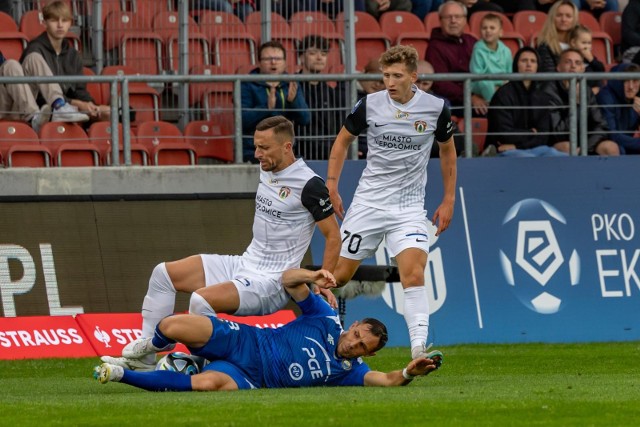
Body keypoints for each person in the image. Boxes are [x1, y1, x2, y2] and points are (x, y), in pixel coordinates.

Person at [101, 116, 341, 371]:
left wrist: (323, 281)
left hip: (271, 281)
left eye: (264, 148)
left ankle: (197, 363)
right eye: (256, 146)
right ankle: (147, 358)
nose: (257, 153)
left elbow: (333, 236)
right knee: (163, 274)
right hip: (245, 262)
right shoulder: (268, 166)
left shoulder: (309, 185)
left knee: (201, 300)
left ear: (287, 147)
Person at [94, 268, 444, 391]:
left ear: (368, 354)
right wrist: (312, 276)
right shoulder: (324, 318)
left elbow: (386, 380)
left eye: (362, 348)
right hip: (244, 339)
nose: (353, 346)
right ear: (352, 326)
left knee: (206, 385)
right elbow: (288, 281)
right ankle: (149, 352)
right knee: (172, 324)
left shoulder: (348, 373)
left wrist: (408, 372)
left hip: (249, 377)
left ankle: (121, 374)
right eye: (356, 336)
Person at [325, 45, 457, 360]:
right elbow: (342, 141)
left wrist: (449, 198)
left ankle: (418, 350)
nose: (390, 82)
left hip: (409, 208)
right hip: (369, 204)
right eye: (385, 75)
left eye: (397, 75)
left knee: (413, 274)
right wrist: (332, 184)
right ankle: (317, 329)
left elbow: (448, 151)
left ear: (414, 77)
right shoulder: (369, 105)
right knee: (338, 277)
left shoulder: (436, 108)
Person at [20, 0, 105, 124]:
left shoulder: (73, 55)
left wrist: (90, 105)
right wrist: (77, 103)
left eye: (64, 20)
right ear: (44, 23)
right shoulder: (34, 50)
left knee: (108, 114)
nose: (60, 25)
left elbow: (80, 90)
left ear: (70, 23)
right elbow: (37, 95)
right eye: (54, 20)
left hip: (70, 109)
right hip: (42, 109)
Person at [486, 47, 568, 157]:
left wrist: (518, 146)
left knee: (560, 156)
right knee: (528, 159)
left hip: (528, 147)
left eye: (533, 61)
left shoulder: (543, 97)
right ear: (516, 65)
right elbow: (503, 134)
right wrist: (531, 132)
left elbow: (544, 136)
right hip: (503, 149)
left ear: (537, 66)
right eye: (524, 60)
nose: (529, 64)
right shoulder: (503, 94)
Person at [241, 41, 310, 163]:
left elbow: (305, 118)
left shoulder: (291, 84)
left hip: (286, 150)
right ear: (259, 62)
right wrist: (266, 108)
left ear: (285, 63)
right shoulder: (247, 84)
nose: (273, 62)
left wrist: (293, 102)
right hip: (255, 151)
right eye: (268, 59)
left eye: (278, 58)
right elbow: (242, 120)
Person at [542, 48, 620, 155]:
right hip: (558, 142)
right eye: (568, 62)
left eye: (577, 63)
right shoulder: (549, 91)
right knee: (567, 147)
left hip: (585, 142)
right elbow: (558, 133)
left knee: (610, 147)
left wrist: (585, 148)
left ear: (582, 69)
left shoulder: (586, 90)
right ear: (558, 67)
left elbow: (601, 126)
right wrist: (577, 105)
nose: (573, 66)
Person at [295, 35, 346, 160]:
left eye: (323, 54)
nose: (319, 58)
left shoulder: (331, 93)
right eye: (313, 53)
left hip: (328, 156)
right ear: (301, 57)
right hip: (299, 155)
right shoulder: (292, 87)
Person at [426, 1, 481, 116]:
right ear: (440, 21)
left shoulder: (472, 41)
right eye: (448, 17)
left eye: (458, 17)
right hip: (456, 102)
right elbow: (441, 83)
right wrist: (470, 96)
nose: (453, 21)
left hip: (478, 95)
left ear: (465, 20)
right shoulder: (435, 47)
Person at [0, 51, 51, 133]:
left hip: (15, 110)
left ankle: (58, 105)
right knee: (10, 65)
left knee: (33, 58)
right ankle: (33, 118)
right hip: (2, 111)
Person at [596, 63, 640, 154]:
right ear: (618, 81)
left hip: (625, 143)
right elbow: (612, 135)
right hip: (602, 143)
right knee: (618, 149)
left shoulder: (637, 98)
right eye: (626, 81)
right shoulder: (606, 96)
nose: (631, 87)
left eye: (635, 81)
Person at [470, 13, 512, 105]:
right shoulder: (478, 48)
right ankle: (493, 106)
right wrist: (498, 83)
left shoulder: (506, 50)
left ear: (501, 32)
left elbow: (509, 72)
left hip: (501, 82)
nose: (488, 31)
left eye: (492, 28)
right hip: (480, 82)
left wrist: (502, 83)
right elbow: (477, 74)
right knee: (486, 83)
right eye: (484, 28)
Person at [536, 0, 579, 73]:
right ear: (552, 18)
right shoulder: (544, 46)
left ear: (574, 19)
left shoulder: (579, 44)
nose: (563, 19)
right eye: (559, 15)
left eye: (568, 16)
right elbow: (549, 77)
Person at [568, 24, 605, 93]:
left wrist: (592, 60)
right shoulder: (568, 57)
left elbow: (601, 70)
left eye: (589, 43)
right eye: (584, 43)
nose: (587, 46)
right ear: (573, 43)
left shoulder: (590, 58)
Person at [190, 0, 255, 21]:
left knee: (247, 10)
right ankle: (227, 37)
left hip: (236, 3)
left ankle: (243, 41)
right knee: (226, 7)